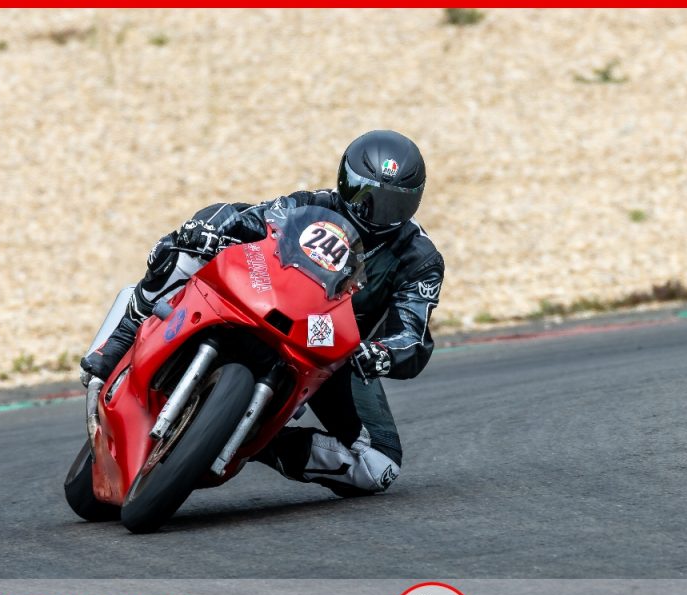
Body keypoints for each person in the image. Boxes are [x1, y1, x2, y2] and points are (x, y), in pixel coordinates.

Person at [80, 130, 445, 497]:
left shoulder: (420, 259)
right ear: (344, 181)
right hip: (266, 302)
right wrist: (211, 231)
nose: (372, 210)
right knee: (195, 238)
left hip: (336, 355)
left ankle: (262, 443)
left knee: (379, 467)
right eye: (363, 194)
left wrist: (381, 353)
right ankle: (120, 338)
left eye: (391, 203)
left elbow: (412, 334)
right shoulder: (313, 204)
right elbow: (256, 218)